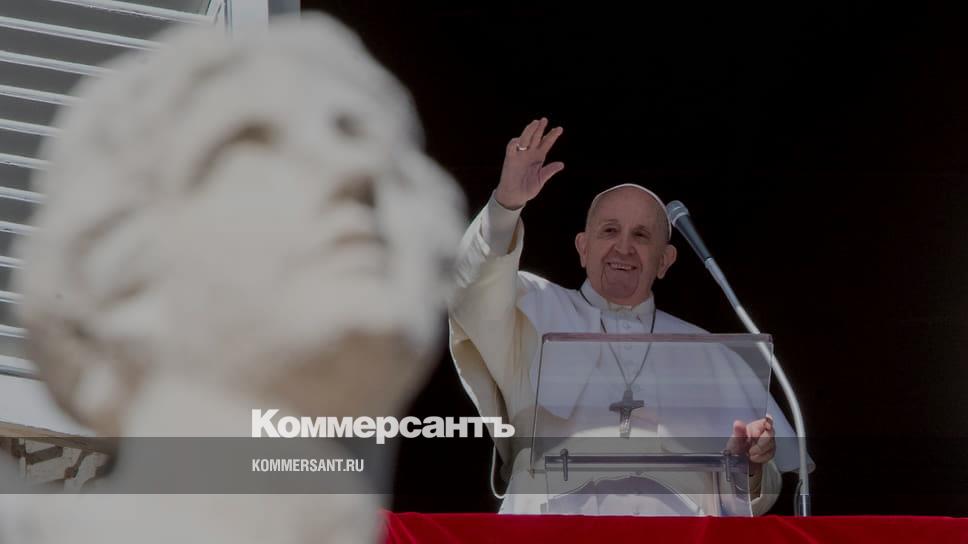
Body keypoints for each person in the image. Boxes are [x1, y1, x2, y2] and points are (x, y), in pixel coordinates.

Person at [449, 118, 802, 515]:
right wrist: (506, 205)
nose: (623, 247)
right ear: (583, 247)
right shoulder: (532, 308)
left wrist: (748, 466)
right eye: (609, 231)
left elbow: (758, 489)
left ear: (665, 260)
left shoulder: (710, 353)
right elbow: (470, 288)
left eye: (641, 235)